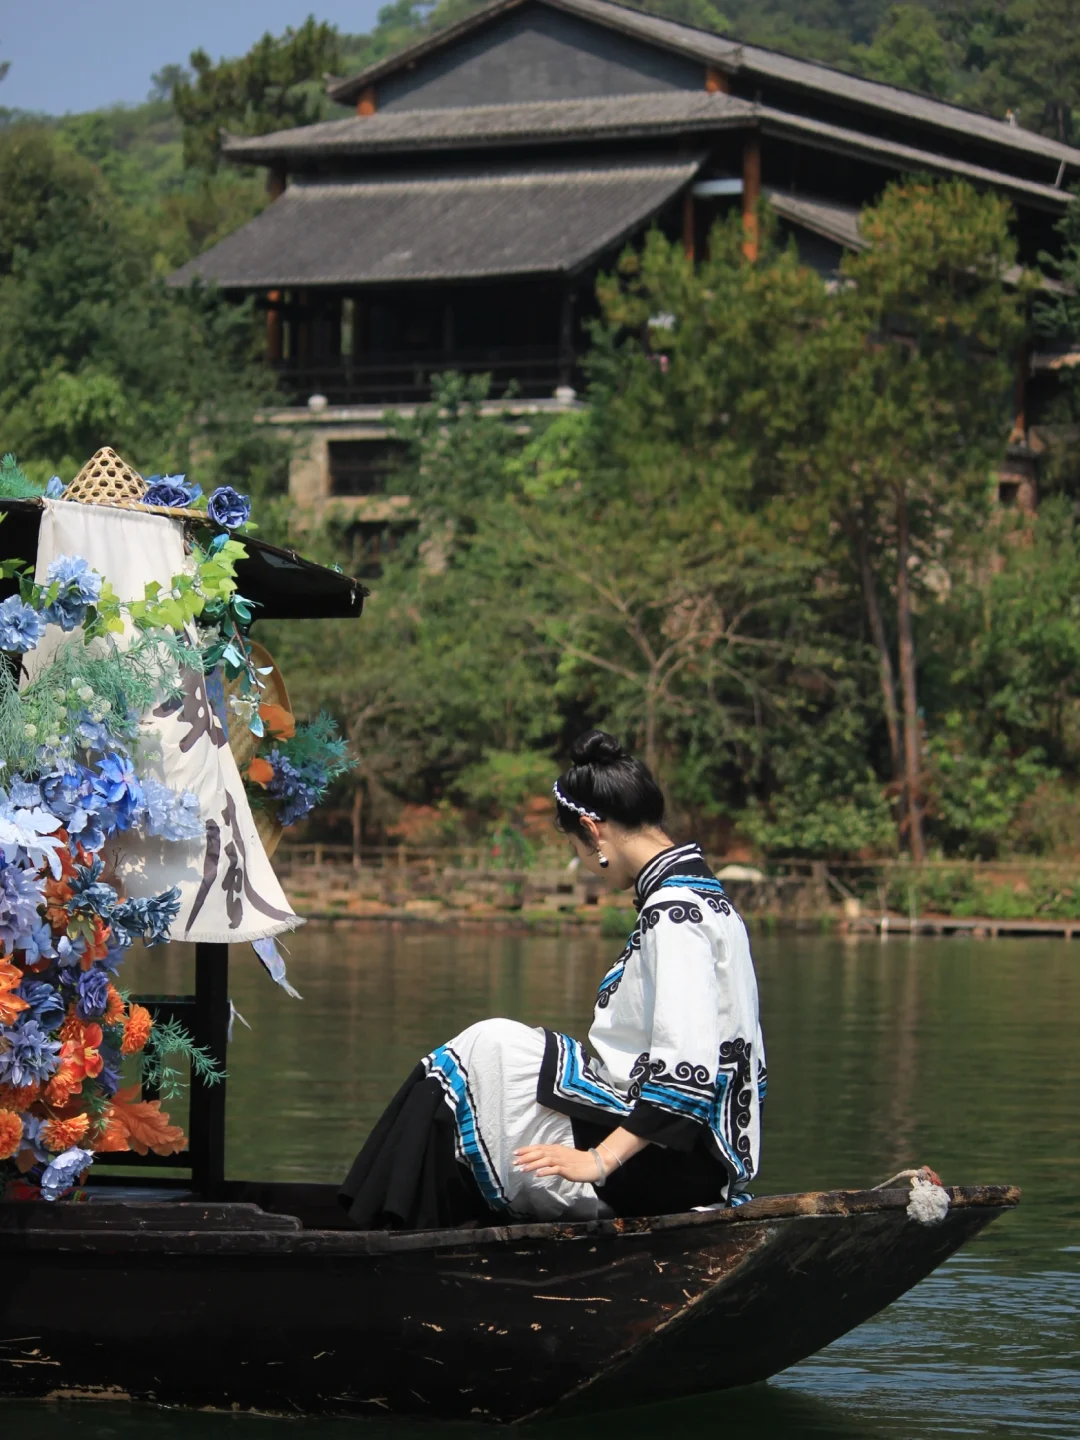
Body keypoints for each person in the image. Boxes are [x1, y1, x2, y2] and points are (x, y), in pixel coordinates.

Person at [339, 730, 765, 1230]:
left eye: (575, 847)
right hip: (686, 1146)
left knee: (478, 1052)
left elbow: (685, 1074)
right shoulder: (709, 900)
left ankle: (383, 1229)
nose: (587, 867)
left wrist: (600, 1160)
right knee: (490, 1048)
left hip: (674, 1162)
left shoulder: (674, 914)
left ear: (592, 830)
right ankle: (406, 1221)